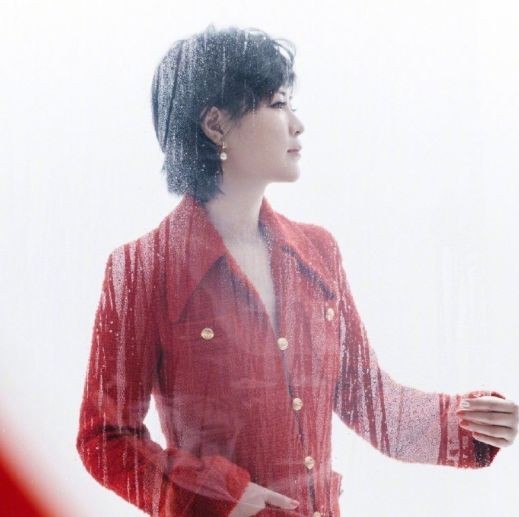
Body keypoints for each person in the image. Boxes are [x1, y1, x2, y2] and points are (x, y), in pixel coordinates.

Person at [76, 24, 518, 517]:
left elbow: (371, 403)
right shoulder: (141, 269)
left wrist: (476, 421)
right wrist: (214, 494)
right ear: (215, 125)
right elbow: (103, 437)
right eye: (277, 103)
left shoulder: (318, 252)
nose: (297, 124)